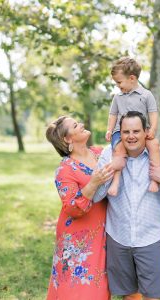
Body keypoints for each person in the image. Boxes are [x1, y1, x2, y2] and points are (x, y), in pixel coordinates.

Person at [94, 111, 160, 300]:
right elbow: (95, 197)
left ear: (146, 132)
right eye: (126, 132)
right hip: (118, 237)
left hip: (150, 238)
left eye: (136, 131)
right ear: (120, 133)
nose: (131, 136)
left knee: (153, 296)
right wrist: (112, 167)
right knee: (129, 296)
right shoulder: (107, 154)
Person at [45, 116, 116, 300]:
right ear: (67, 139)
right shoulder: (65, 170)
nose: (82, 124)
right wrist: (93, 183)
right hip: (77, 241)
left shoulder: (100, 153)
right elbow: (72, 208)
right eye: (76, 125)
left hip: (104, 233)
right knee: (75, 290)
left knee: (99, 289)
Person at [105, 57, 160, 196]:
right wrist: (109, 129)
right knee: (119, 152)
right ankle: (116, 181)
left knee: (154, 146)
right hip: (120, 131)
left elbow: (153, 113)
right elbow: (113, 114)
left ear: (132, 78)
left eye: (119, 82)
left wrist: (152, 129)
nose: (118, 86)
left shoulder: (146, 95)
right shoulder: (118, 97)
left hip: (141, 131)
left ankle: (155, 178)